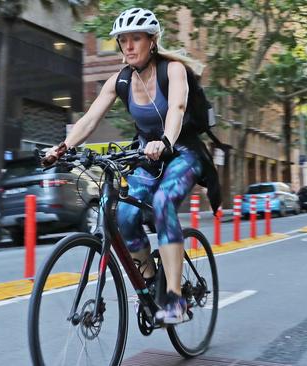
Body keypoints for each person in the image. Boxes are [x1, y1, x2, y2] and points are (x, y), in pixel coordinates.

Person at [44, 7, 220, 324]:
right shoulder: (120, 81)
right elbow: (89, 119)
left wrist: (165, 141)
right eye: (122, 40)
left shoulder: (173, 70)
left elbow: (177, 107)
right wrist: (62, 148)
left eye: (135, 39)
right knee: (123, 215)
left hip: (181, 151)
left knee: (164, 201)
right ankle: (152, 284)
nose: (128, 46)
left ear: (152, 41)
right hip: (144, 155)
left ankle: (175, 299)